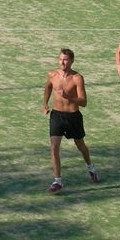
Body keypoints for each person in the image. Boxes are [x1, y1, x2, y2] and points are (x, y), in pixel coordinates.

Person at [43, 48, 99, 193]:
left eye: (65, 59)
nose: (62, 62)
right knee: (54, 147)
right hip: (56, 116)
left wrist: (68, 96)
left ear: (72, 61)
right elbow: (48, 87)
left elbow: (83, 102)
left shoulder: (77, 78)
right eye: (60, 59)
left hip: (73, 116)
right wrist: (45, 104)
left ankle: (90, 167)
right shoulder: (52, 74)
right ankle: (57, 181)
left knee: (80, 145)